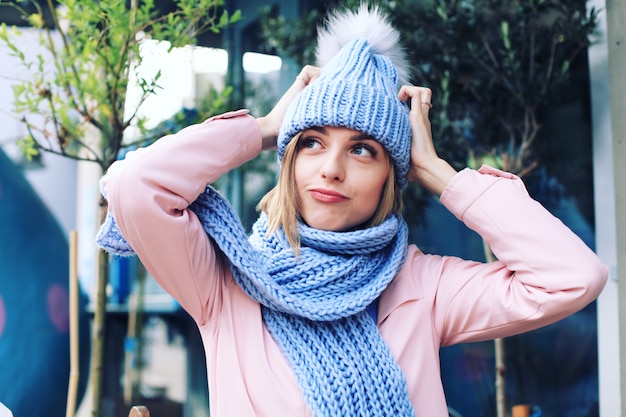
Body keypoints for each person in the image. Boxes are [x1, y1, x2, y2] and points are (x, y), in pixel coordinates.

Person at [96, 5, 608, 417]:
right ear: (290, 159)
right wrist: (265, 128)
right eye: (312, 143)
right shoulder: (226, 283)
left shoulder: (421, 287)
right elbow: (136, 185)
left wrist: (438, 172)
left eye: (363, 149)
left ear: (391, 173)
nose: (332, 169)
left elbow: (572, 276)